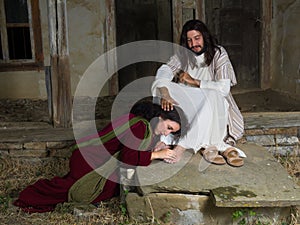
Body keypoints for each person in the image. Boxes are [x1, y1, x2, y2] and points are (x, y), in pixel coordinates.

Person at [13, 102, 188, 213]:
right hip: (89, 159)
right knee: (72, 190)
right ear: (160, 118)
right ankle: (29, 195)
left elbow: (138, 147)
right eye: (169, 127)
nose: (167, 132)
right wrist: (158, 154)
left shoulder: (146, 128)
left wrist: (159, 146)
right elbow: (129, 156)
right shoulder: (139, 126)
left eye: (171, 131)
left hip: (98, 160)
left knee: (107, 191)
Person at [151, 19, 245, 166]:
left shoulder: (218, 53)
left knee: (212, 96)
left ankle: (184, 146)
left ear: (204, 37)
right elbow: (164, 71)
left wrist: (194, 81)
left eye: (197, 38)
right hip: (189, 100)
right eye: (189, 40)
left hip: (214, 101)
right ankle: (168, 139)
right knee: (162, 85)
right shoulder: (183, 55)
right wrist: (165, 93)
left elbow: (224, 87)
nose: (193, 44)